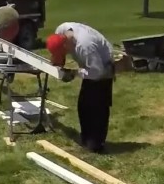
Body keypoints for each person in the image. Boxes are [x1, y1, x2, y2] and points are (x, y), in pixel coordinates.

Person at [46, 22, 116, 154]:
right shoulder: (62, 30)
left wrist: (75, 73)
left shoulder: (85, 46)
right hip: (91, 64)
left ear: (66, 44)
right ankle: (86, 138)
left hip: (103, 67)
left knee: (97, 107)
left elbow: (97, 72)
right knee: (83, 105)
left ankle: (96, 144)